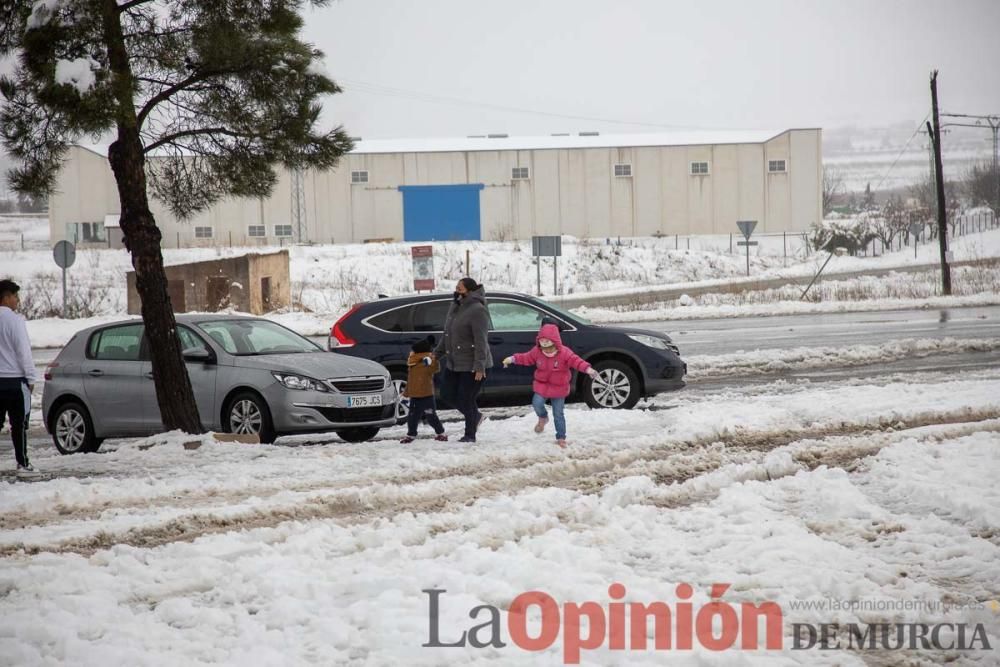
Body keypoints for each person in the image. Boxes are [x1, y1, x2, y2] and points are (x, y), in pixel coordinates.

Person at [502, 322, 598, 449]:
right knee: (537, 403)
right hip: (542, 385)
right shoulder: (537, 351)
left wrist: (588, 369)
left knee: (558, 414)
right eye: (542, 345)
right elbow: (526, 358)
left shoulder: (565, 353)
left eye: (548, 346)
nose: (546, 350)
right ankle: (543, 417)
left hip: (559, 387)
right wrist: (513, 359)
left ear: (555, 343)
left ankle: (561, 437)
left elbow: (577, 362)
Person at [434, 277, 492, 443]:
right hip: (455, 361)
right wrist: (437, 354)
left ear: (469, 291)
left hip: (473, 364)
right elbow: (448, 334)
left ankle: (469, 434)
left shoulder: (477, 310)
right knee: (446, 394)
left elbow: (481, 340)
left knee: (466, 398)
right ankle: (476, 416)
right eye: (456, 288)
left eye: (459, 288)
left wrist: (480, 366)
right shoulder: (455, 306)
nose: (456, 291)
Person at [0, 279, 39, 478]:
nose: (17, 300)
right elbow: (23, 351)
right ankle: (22, 462)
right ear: (6, 297)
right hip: (15, 381)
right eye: (15, 296)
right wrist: (30, 378)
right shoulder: (15, 321)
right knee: (19, 424)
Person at [400, 336, 447, 444]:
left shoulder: (427, 362)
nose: (411, 353)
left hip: (427, 396)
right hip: (415, 397)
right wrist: (406, 393)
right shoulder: (413, 364)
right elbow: (410, 380)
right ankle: (411, 434)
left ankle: (441, 433)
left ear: (417, 352)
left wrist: (432, 361)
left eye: (412, 351)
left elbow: (435, 368)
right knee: (412, 417)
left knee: (431, 416)